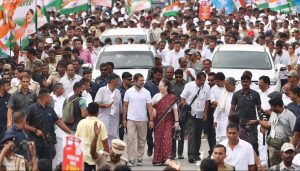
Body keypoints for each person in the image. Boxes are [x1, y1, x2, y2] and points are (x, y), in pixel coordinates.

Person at [24, 89, 73, 165]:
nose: (51, 98)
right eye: (49, 97)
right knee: (33, 165)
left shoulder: (50, 109)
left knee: (47, 165)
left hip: (48, 143)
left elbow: (58, 122)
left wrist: (70, 132)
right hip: (35, 143)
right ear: (44, 97)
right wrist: (35, 130)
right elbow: (23, 124)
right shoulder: (32, 108)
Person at [253, 94, 296, 166]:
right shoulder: (274, 113)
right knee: (274, 165)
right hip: (273, 145)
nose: (271, 108)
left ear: (278, 105)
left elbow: (295, 133)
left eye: (272, 106)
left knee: (286, 166)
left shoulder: (290, 115)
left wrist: (291, 146)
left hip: (285, 147)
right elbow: (270, 124)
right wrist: (259, 123)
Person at [122, 73, 154, 167]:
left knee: (141, 140)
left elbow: (149, 106)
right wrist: (124, 119)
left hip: (143, 120)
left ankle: (139, 158)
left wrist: (151, 120)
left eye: (143, 80)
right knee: (130, 139)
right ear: (135, 81)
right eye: (140, 81)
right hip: (131, 119)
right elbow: (125, 106)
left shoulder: (146, 92)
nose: (142, 82)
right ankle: (131, 159)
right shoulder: (129, 92)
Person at [180, 72, 211, 163]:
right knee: (192, 133)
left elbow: (207, 101)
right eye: (201, 81)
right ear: (196, 79)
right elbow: (183, 97)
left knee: (198, 134)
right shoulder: (189, 86)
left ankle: (196, 154)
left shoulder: (207, 87)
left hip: (201, 114)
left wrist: (205, 113)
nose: (203, 82)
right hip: (191, 113)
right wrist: (185, 105)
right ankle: (191, 155)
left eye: (204, 81)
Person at [230, 74, 261, 155]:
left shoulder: (256, 94)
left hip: (252, 122)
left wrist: (260, 122)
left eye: (247, 82)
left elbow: (259, 109)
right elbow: (232, 109)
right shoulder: (236, 94)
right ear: (241, 83)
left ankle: (255, 160)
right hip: (239, 123)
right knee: (239, 142)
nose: (245, 83)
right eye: (243, 82)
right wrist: (231, 122)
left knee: (253, 142)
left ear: (250, 82)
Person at [152, 79, 179, 165]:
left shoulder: (172, 97)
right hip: (158, 120)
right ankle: (158, 159)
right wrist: (153, 109)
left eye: (161, 86)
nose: (159, 87)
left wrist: (177, 121)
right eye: (159, 86)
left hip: (168, 119)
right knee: (158, 139)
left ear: (166, 87)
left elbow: (175, 110)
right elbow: (149, 105)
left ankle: (167, 158)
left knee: (167, 138)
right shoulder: (156, 96)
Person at [76, 102, 109, 171]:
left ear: (87, 111)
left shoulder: (81, 122)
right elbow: (105, 142)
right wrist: (108, 155)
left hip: (84, 157)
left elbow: (77, 140)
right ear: (98, 112)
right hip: (97, 158)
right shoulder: (100, 124)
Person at [95, 74, 122, 146]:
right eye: (117, 81)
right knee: (103, 137)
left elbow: (120, 107)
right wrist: (106, 105)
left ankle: (112, 155)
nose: (119, 83)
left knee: (114, 139)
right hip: (104, 119)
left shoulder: (118, 92)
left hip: (114, 120)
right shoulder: (102, 90)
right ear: (112, 81)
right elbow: (96, 104)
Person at [144, 67, 163, 157]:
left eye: (161, 75)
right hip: (150, 111)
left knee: (159, 132)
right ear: (154, 74)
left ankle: (158, 149)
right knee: (148, 132)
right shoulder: (147, 84)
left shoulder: (164, 84)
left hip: (161, 111)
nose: (160, 76)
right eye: (158, 75)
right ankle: (150, 146)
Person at [171, 69, 187, 159]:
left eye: (179, 77)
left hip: (183, 112)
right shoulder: (171, 84)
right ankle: (173, 153)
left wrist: (183, 103)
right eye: (176, 77)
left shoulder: (187, 85)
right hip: (173, 112)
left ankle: (180, 153)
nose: (178, 78)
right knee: (173, 133)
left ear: (182, 76)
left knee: (181, 133)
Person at [214, 77, 236, 143]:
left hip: (234, 121)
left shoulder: (238, 93)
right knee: (220, 139)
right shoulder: (224, 93)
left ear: (232, 85)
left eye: (226, 85)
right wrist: (215, 119)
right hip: (222, 120)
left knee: (231, 139)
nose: (224, 86)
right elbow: (218, 107)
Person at [50, 83, 65, 165]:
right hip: (51, 125)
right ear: (56, 89)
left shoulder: (64, 98)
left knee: (60, 149)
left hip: (61, 125)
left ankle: (59, 166)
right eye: (62, 88)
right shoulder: (49, 98)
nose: (63, 90)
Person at [117, 72, 132, 140]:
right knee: (120, 133)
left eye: (131, 79)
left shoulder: (133, 89)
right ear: (123, 79)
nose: (130, 81)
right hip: (121, 113)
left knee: (130, 134)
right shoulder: (118, 90)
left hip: (130, 113)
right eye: (129, 79)